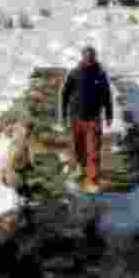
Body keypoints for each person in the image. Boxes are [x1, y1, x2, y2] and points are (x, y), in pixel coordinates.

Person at [59, 46, 114, 192]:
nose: (89, 59)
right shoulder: (74, 73)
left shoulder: (100, 75)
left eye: (91, 57)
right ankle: (79, 175)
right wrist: (63, 113)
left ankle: (93, 180)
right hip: (76, 118)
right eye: (86, 57)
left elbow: (107, 96)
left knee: (93, 150)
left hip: (93, 119)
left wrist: (109, 115)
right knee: (78, 148)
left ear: (95, 58)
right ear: (82, 57)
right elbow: (65, 94)